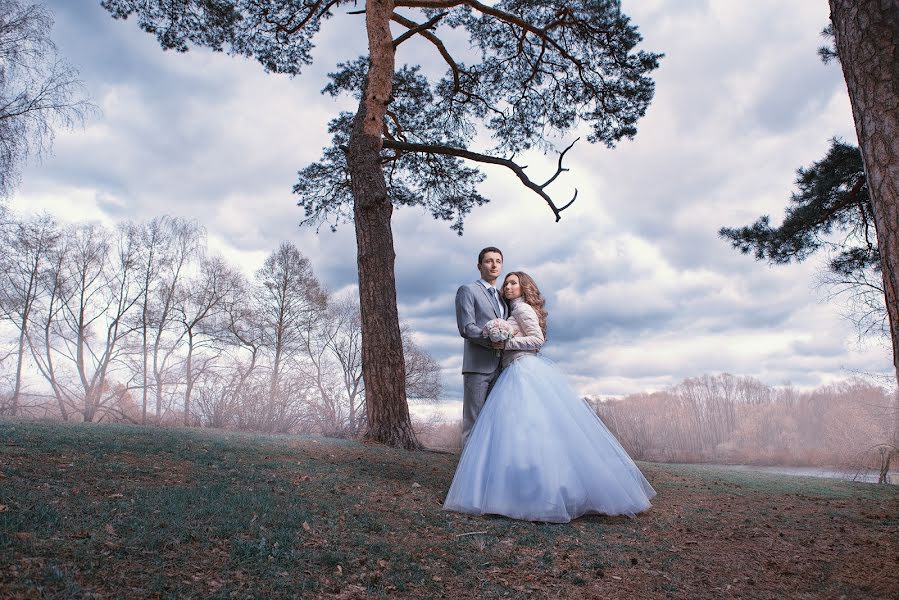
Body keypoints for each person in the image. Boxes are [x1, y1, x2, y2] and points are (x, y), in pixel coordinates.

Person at [444, 271, 656, 523]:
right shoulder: (511, 312)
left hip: (524, 371)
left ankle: (541, 493)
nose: (508, 286)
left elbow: (538, 340)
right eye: (506, 283)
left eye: (514, 283)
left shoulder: (522, 310)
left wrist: (505, 343)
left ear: (524, 287)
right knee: (518, 434)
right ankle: (518, 490)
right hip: (512, 371)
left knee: (531, 431)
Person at [455, 247, 508, 449]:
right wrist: (491, 339)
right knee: (474, 423)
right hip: (477, 367)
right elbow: (466, 327)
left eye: (498, 261)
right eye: (489, 261)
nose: (494, 265)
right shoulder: (467, 290)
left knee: (494, 423)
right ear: (479, 266)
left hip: (501, 368)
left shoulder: (502, 297)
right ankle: (467, 479)